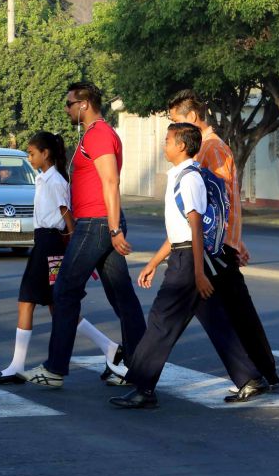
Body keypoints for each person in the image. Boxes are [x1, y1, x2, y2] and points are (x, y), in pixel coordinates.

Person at [110, 123, 267, 409]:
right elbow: (179, 230)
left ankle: (143, 387)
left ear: (181, 145)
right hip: (185, 254)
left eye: (168, 140)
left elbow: (196, 227)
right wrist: (154, 262)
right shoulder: (180, 175)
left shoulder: (190, 178)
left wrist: (196, 272)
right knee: (216, 319)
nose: (164, 145)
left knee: (161, 321)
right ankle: (250, 378)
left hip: (189, 261)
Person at [22, 82, 146, 387]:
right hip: (101, 223)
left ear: (85, 104)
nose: (66, 109)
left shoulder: (100, 134)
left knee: (64, 291)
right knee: (122, 298)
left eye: (69, 104)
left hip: (97, 224)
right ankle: (138, 366)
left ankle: (54, 369)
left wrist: (115, 228)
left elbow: (110, 181)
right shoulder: (93, 135)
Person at [0, 132, 126, 385]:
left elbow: (67, 214)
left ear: (45, 153)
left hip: (51, 245)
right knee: (56, 308)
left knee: (30, 301)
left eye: (32, 153)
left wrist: (74, 249)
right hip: (42, 242)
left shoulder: (55, 181)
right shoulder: (42, 179)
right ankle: (109, 348)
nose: (29, 157)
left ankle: (17, 366)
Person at [166, 90, 279, 389]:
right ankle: (262, 373)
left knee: (229, 313)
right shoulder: (208, 148)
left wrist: (231, 241)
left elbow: (219, 203)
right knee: (235, 312)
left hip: (215, 247)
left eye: (175, 121)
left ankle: (257, 375)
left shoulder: (212, 150)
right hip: (220, 244)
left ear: (191, 117)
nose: (172, 130)